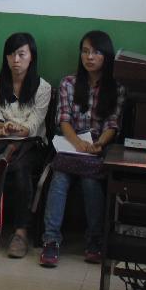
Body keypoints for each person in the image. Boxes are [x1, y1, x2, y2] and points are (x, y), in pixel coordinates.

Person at [40, 30, 124, 267]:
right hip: (70, 144)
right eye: (85, 51)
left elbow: (113, 124)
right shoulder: (68, 83)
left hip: (97, 147)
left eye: (96, 52)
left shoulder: (116, 88)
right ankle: (51, 240)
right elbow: (63, 120)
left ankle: (95, 240)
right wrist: (78, 144)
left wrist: (98, 144)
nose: (90, 57)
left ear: (106, 56)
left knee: (90, 181)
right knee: (59, 179)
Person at [0, 31, 52, 259]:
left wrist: (19, 129)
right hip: (1, 139)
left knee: (20, 169)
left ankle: (20, 232)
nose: (15, 60)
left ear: (31, 56)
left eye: (21, 54)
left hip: (31, 143)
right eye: (11, 54)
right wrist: (4, 127)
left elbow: (34, 124)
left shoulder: (42, 87)